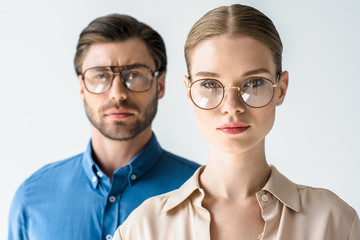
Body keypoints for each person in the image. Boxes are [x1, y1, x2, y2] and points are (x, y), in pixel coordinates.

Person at [113, 4, 360, 240]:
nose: (232, 107)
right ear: (189, 93)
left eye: (254, 83)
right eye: (209, 84)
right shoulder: (143, 228)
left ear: (281, 89)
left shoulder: (334, 222)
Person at [8, 14, 200, 240]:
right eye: (100, 75)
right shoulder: (32, 197)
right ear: (81, 87)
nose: (117, 93)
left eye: (135, 74)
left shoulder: (200, 193)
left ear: (160, 84)